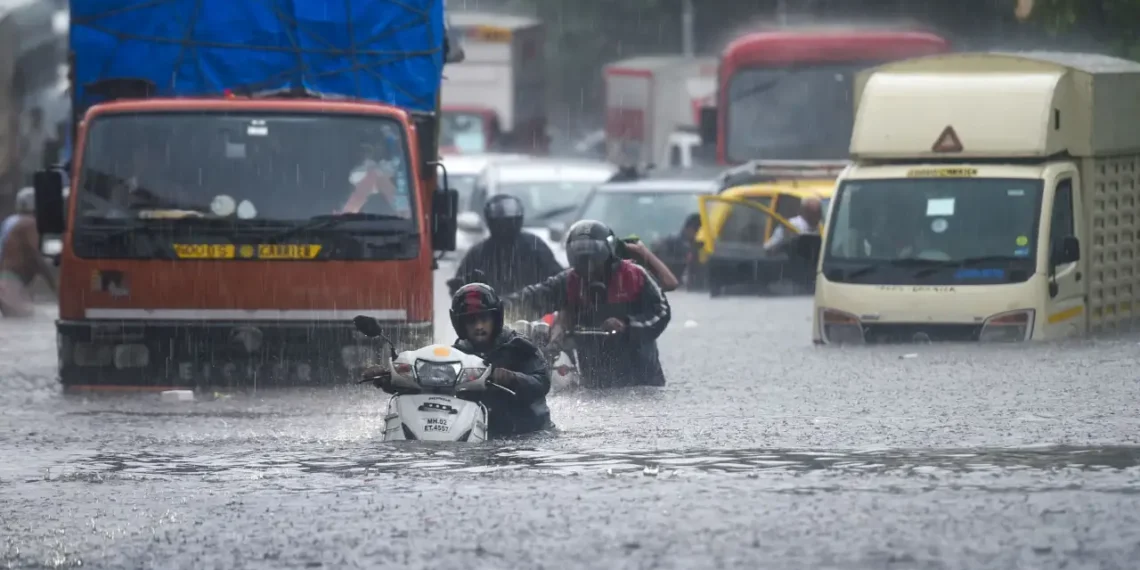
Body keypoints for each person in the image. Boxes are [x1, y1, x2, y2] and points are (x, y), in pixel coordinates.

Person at [362, 283, 553, 437]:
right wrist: (389, 379)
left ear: (496, 318)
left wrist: (511, 378)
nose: (479, 326)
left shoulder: (519, 347)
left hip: (527, 434)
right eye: (471, 320)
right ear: (460, 323)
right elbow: (428, 388)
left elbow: (542, 382)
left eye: (484, 319)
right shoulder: (458, 354)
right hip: (478, 434)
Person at [503, 219, 671, 388]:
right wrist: (496, 309)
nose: (588, 265)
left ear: (609, 253)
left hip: (643, 380)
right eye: (582, 259)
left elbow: (662, 312)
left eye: (594, 259)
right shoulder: (569, 280)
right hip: (594, 381)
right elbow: (532, 298)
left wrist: (627, 325)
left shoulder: (635, 275)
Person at [448, 194, 564, 295]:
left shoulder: (534, 246)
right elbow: (459, 287)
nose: (506, 227)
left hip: (533, 309)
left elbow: (558, 279)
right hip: (492, 311)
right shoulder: (478, 253)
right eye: (502, 222)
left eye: (510, 220)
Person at [0, 188, 57, 318]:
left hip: (5, 280)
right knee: (27, 318)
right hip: (12, 283)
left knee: (16, 321)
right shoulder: (30, 223)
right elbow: (35, 255)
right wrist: (53, 284)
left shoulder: (10, 221)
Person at [650, 213, 702, 288]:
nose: (697, 235)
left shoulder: (689, 243)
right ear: (690, 229)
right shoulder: (676, 242)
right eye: (697, 231)